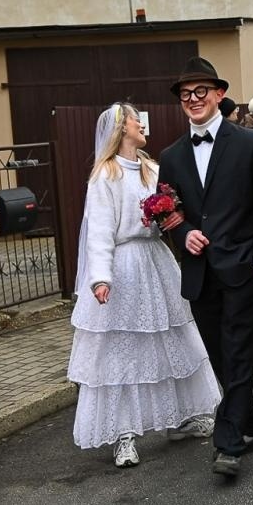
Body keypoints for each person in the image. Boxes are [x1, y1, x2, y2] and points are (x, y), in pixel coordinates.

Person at [67, 103, 221, 466]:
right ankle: (124, 435)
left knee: (170, 342)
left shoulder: (152, 169)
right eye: (136, 119)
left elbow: (173, 207)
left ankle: (181, 416)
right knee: (123, 351)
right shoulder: (106, 175)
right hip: (125, 268)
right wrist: (101, 277)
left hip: (157, 262)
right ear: (122, 129)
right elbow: (100, 232)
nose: (142, 124)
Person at [157, 57, 253, 477]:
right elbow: (167, 210)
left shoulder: (249, 143)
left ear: (219, 94)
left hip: (243, 268)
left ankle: (228, 442)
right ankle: (252, 425)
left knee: (240, 350)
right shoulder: (170, 156)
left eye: (201, 92)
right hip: (199, 271)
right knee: (220, 357)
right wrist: (183, 231)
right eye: (186, 94)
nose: (193, 100)